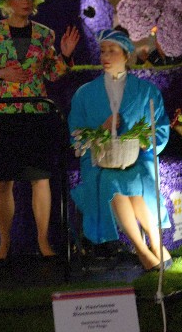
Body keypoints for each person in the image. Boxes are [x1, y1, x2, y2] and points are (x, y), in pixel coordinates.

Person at [0, 0, 79, 260]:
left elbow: (52, 74)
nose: (25, 2)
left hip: (35, 113)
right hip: (3, 114)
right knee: (3, 181)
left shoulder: (45, 35)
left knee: (40, 179)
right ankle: (4, 243)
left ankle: (43, 243)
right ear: (8, 2)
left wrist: (65, 57)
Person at [70, 29, 172, 270]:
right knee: (111, 182)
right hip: (100, 162)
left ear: (126, 55)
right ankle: (141, 248)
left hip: (138, 159)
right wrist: (102, 129)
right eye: (103, 51)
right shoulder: (85, 94)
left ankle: (156, 243)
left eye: (112, 50)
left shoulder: (147, 92)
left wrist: (144, 142)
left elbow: (160, 129)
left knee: (139, 180)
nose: (105, 56)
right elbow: (76, 135)